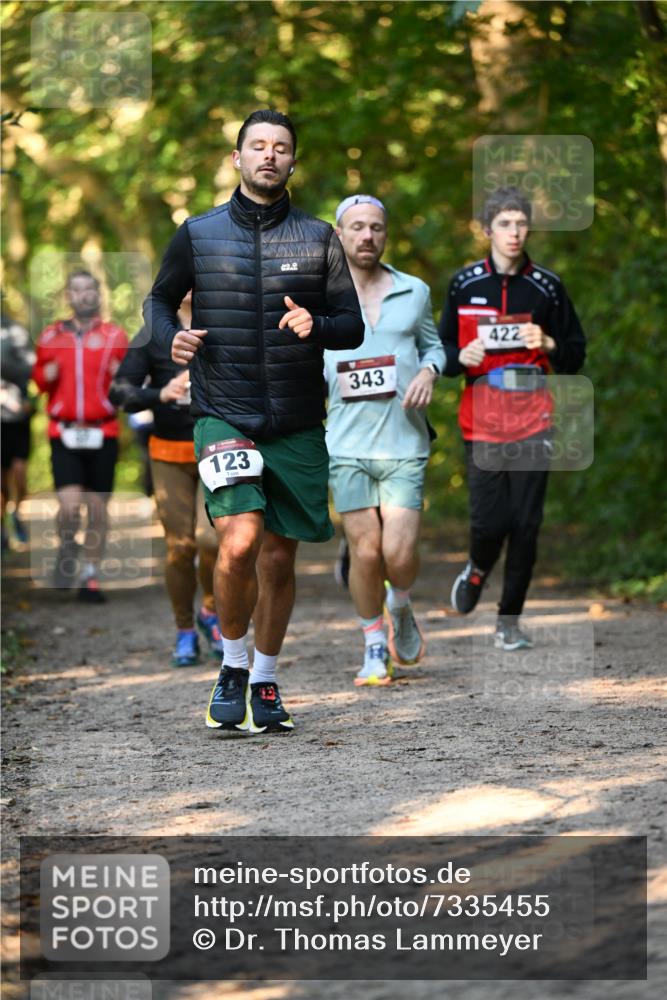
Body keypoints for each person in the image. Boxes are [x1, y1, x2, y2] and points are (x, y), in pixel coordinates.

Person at [143, 109, 364, 733]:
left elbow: (352, 326)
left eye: (282, 148)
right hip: (223, 414)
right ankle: (232, 666)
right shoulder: (198, 234)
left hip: (295, 421)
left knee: (277, 559)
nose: (270, 155)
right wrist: (174, 336)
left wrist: (315, 327)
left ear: (293, 161)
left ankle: (265, 681)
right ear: (237, 159)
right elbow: (158, 298)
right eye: (258, 146)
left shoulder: (320, 237)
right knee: (238, 541)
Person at [439, 187, 586, 649]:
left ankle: (509, 621)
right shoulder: (464, 285)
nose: (514, 232)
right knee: (489, 523)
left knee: (526, 524)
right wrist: (460, 354)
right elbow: (441, 356)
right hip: (479, 424)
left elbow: (575, 354)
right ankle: (479, 566)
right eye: (504, 224)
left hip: (534, 423)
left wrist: (549, 345)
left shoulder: (547, 286)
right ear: (487, 230)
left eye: (521, 224)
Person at [324, 195, 445, 686]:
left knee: (398, 554)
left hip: (404, 443)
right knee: (366, 552)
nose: (367, 236)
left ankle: (400, 603)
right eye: (357, 228)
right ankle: (375, 646)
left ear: (385, 234)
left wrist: (431, 371)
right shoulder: (319, 298)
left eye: (375, 227)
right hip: (346, 446)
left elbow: (434, 345)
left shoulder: (413, 290)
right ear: (339, 235)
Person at [110, 291, 225, 667]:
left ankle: (210, 610)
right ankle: (184, 629)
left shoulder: (228, 321)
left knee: (211, 540)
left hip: (219, 449)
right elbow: (120, 392)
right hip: (169, 454)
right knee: (180, 547)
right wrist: (161, 392)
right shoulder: (152, 334)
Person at [32, 270, 129, 602]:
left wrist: (121, 379)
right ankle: (67, 544)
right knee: (70, 506)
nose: (83, 295)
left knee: (98, 508)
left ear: (98, 294)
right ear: (67, 297)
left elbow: (130, 386)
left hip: (103, 429)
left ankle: (90, 575)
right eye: (76, 290)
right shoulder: (50, 336)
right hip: (65, 430)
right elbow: (38, 382)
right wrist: (45, 375)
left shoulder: (116, 336)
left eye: (89, 289)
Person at [1, 309, 35, 549]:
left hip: (20, 416)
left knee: (20, 473)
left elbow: (32, 368)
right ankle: (2, 529)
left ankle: (17, 511)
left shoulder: (16, 330)